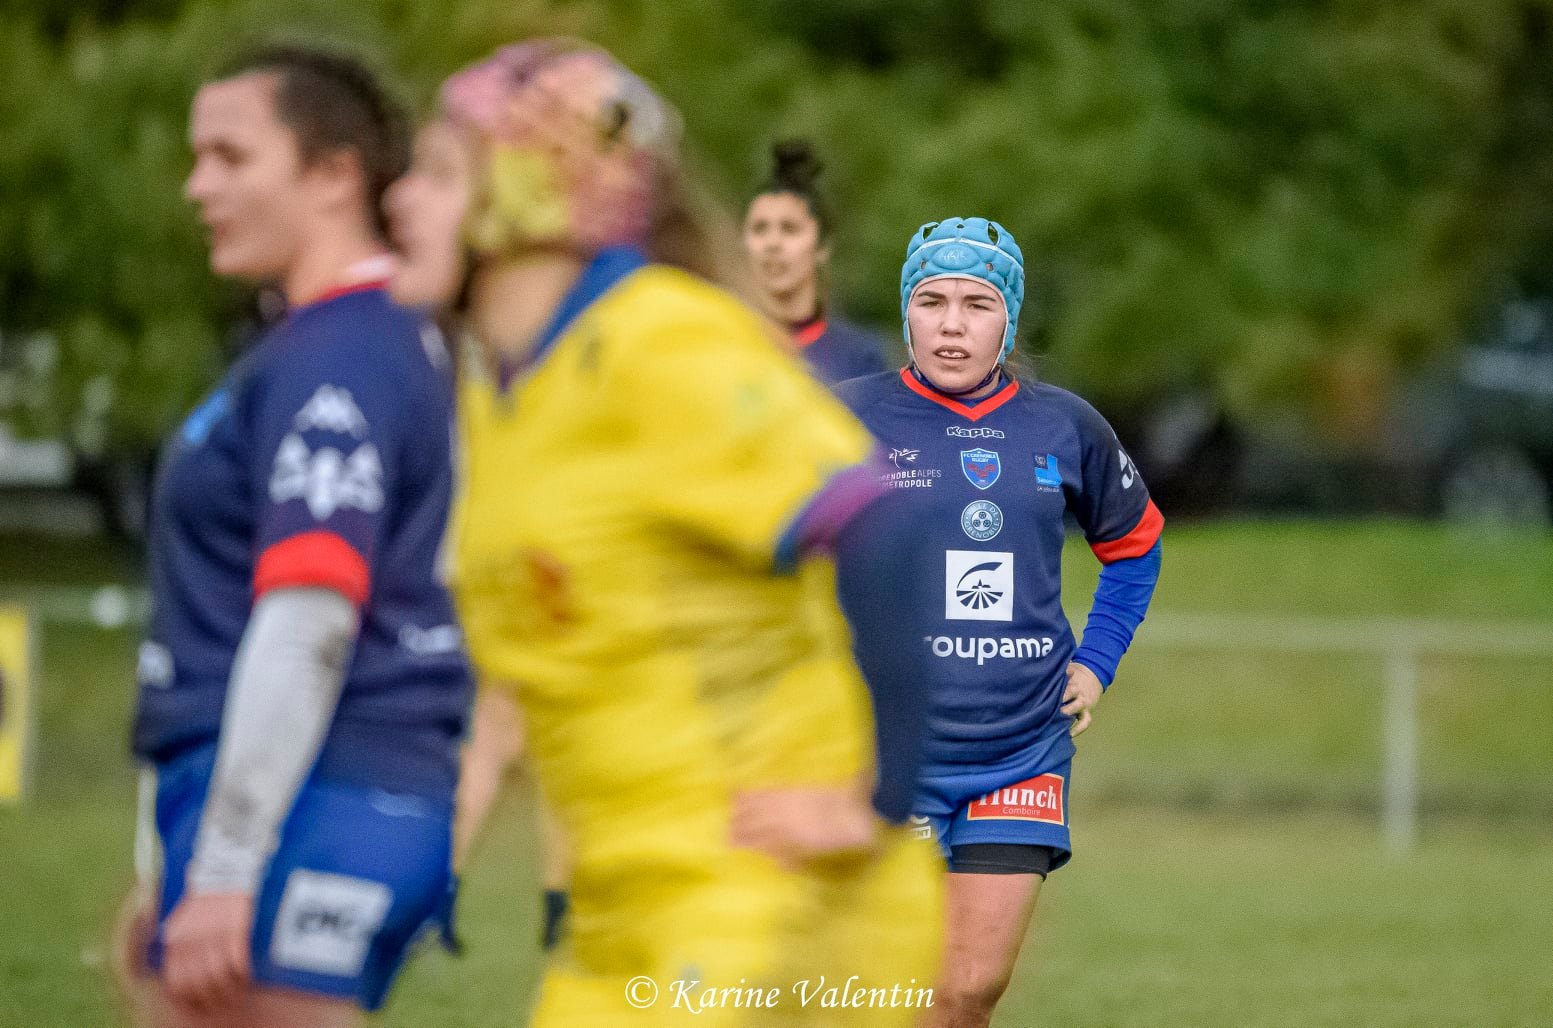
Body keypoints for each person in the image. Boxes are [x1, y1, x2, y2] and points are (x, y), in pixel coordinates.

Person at [386, 39, 942, 1025]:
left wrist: (877, 800)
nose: (398, 199)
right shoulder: (499, 389)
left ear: (530, 188)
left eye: (436, 171)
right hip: (620, 903)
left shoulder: (656, 339)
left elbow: (884, 522)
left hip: (759, 892)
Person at [120, 44, 471, 1027]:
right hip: (305, 793)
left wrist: (227, 865)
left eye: (230, 157)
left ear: (333, 176)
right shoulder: (326, 342)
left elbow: (311, 614)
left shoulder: (343, 351)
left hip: (320, 795)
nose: (198, 187)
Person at [835, 217, 1164, 1028]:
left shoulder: (1066, 426)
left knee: (969, 990)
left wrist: (1096, 660)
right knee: (895, 989)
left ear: (1007, 320)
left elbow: (1135, 546)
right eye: (932, 301)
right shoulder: (841, 418)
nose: (952, 324)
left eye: (976, 304)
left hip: (1019, 749)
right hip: (881, 753)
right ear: (906, 314)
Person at [743, 140, 890, 386]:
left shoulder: (861, 356)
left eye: (789, 229)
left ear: (823, 245)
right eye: (760, 229)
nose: (772, 243)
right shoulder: (720, 341)